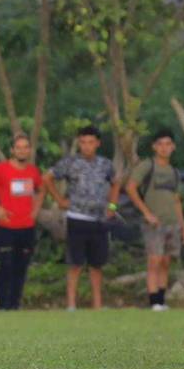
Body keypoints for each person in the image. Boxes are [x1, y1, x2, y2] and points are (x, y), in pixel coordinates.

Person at [44, 125, 120, 311]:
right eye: (83, 142)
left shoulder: (105, 164)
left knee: (96, 265)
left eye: (91, 142)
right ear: (79, 143)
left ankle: (97, 304)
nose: (87, 146)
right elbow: (47, 177)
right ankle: (71, 304)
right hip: (77, 217)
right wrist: (60, 200)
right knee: (75, 263)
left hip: (99, 219)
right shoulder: (70, 163)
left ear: (98, 144)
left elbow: (117, 182)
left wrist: (112, 206)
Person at [0, 134, 45, 310]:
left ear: (30, 150)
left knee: (22, 266)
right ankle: (2, 304)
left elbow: (42, 189)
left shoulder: (33, 171)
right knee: (6, 265)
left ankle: (15, 304)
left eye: (26, 147)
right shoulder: (1, 169)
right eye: (18, 147)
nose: (22, 150)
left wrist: (35, 211)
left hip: (27, 227)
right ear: (12, 150)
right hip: (6, 226)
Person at [125, 128, 184, 311]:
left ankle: (161, 300)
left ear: (173, 147)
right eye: (160, 144)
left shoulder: (174, 172)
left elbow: (177, 201)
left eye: (168, 144)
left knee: (166, 262)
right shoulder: (148, 165)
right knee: (154, 260)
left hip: (172, 224)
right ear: (154, 147)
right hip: (154, 223)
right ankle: (153, 302)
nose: (164, 148)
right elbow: (130, 188)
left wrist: (183, 227)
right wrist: (146, 212)